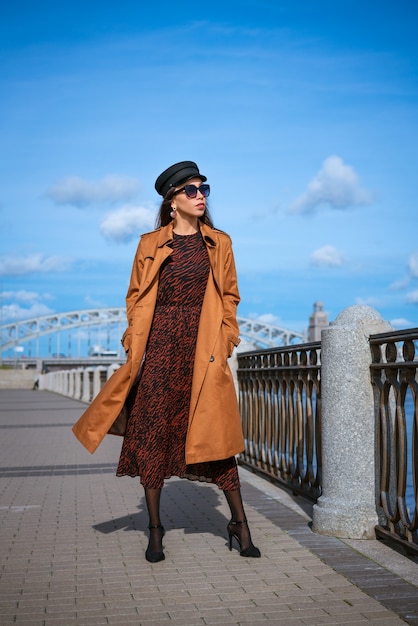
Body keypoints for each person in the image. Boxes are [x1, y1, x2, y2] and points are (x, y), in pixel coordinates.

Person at [73, 161, 260, 563]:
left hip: (203, 349)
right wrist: (131, 340)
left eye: (203, 189)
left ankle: (239, 524)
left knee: (216, 439)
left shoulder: (219, 243)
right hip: (157, 349)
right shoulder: (150, 243)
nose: (200, 196)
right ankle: (155, 530)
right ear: (171, 201)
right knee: (154, 434)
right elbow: (135, 297)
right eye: (190, 190)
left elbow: (230, 297)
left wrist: (226, 340)